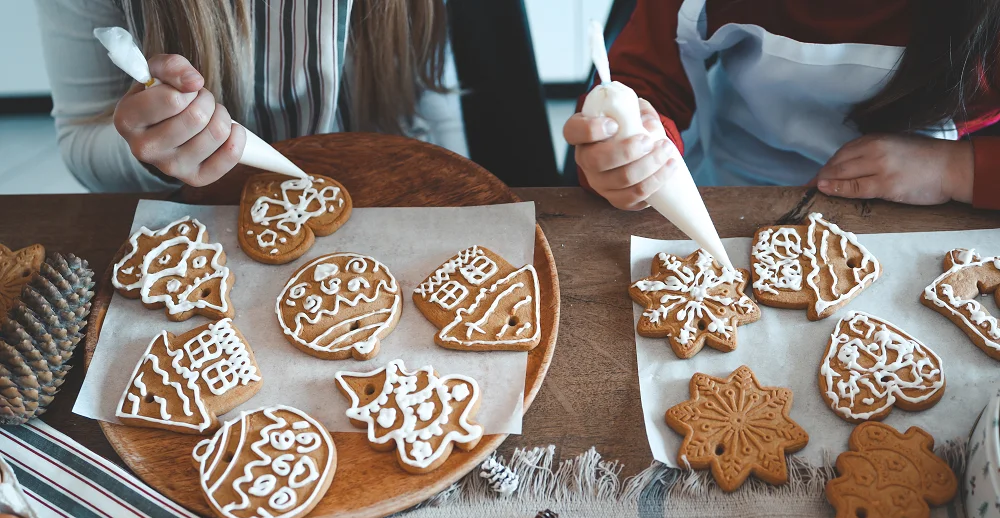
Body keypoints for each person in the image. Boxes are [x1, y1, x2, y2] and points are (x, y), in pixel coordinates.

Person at [565, 0, 1000, 211]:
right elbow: (645, 82)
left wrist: (959, 169)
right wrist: (627, 148)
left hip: (930, 206)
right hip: (729, 182)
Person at [35, 0, 465, 192]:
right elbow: (80, 137)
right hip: (197, 211)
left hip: (384, 185)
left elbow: (434, 98)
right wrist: (155, 146)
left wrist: (452, 195)